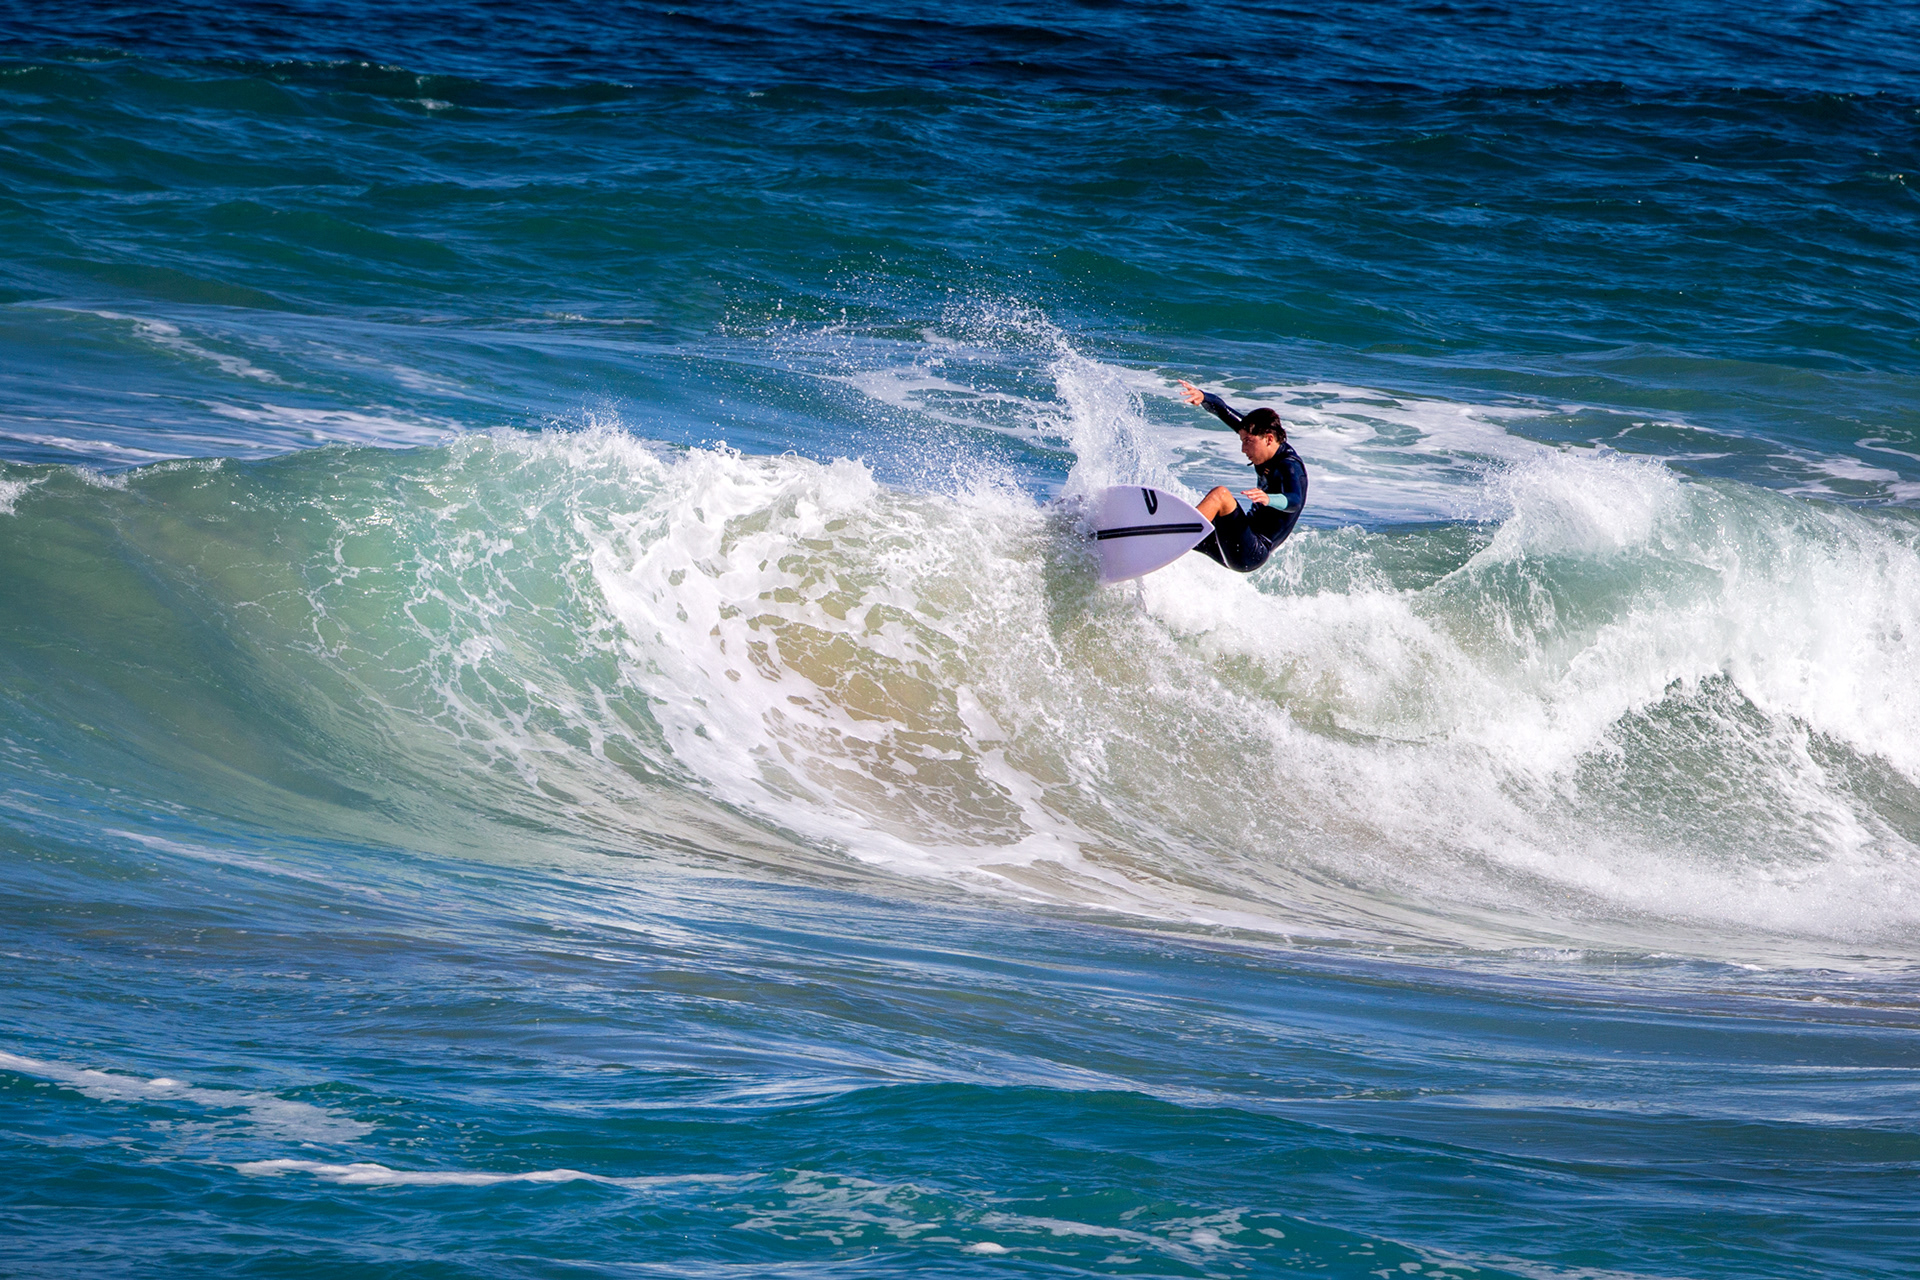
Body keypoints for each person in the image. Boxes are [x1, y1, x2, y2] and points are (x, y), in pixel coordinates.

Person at [1177, 379, 1308, 573]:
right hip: (1237, 541)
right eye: (1242, 440)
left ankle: (1174, 536)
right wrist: (1204, 397)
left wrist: (1269, 498)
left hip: (1251, 553)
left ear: (1269, 439)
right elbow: (1224, 411)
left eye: (1248, 441)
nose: (1243, 449)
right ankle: (1154, 537)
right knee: (1196, 522)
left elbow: (1294, 501)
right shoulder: (1262, 442)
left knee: (1221, 496)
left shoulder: (1289, 466)